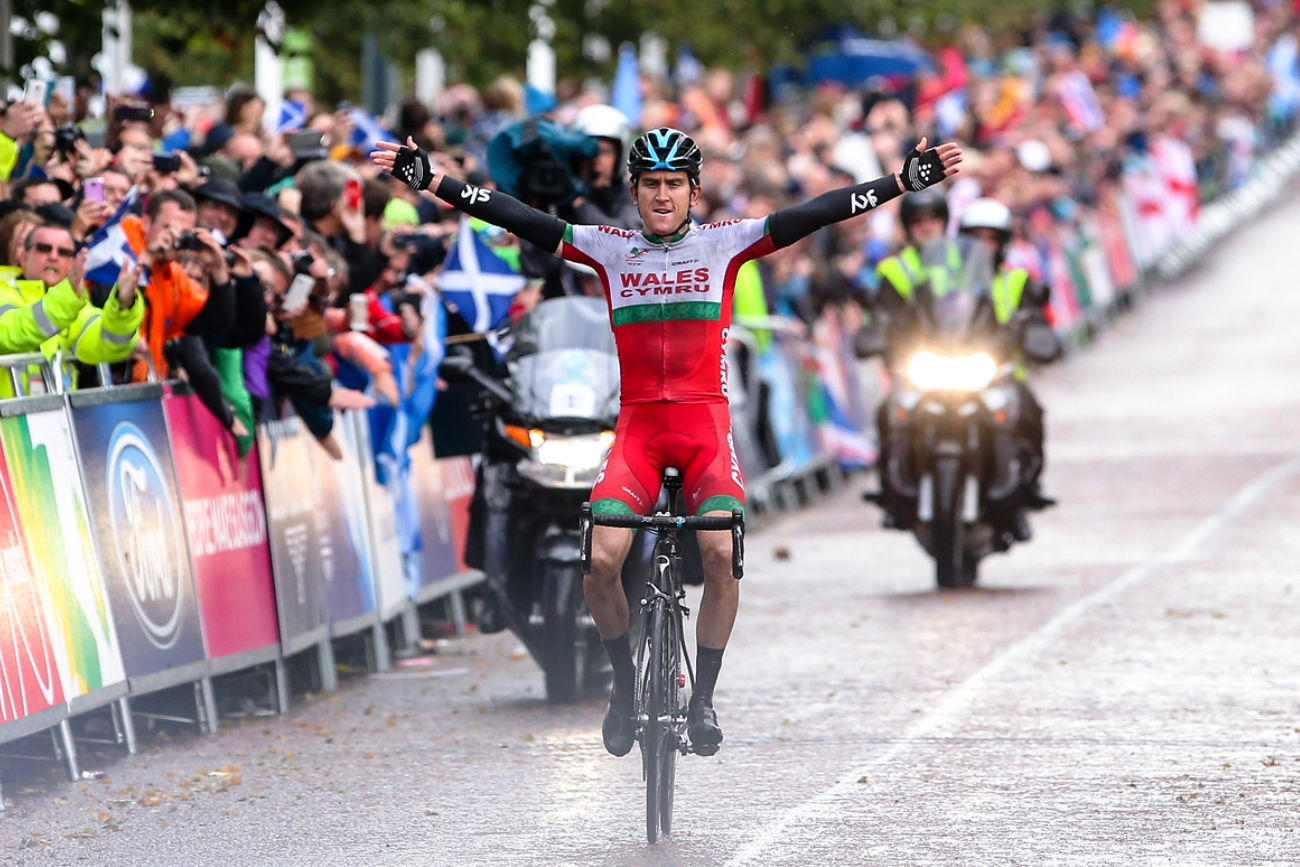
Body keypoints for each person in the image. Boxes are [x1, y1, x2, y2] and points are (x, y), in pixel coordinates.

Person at [374, 127, 961, 757]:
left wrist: (901, 184)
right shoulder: (609, 248)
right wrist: (432, 181)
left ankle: (702, 698)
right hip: (639, 430)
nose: (661, 195)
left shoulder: (726, 244)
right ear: (634, 190)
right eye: (650, 184)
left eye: (673, 184)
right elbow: (518, 217)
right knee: (599, 562)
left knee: (717, 554)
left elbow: (814, 213)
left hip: (704, 427)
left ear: (693, 191)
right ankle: (624, 690)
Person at [956, 198, 1059, 538]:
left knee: (1030, 415)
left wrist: (1036, 336)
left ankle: (1027, 487)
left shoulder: (1017, 281)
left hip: (1000, 376)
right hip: (945, 371)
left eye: (991, 238)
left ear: (1003, 242)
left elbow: (1039, 324)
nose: (983, 246)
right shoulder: (943, 281)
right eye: (975, 237)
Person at [0, 221, 141, 396]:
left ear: (72, 262)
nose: (53, 256)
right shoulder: (3, 291)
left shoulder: (76, 304)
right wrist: (68, 297)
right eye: (44, 248)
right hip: (8, 419)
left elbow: (108, 344)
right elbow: (10, 334)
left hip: (58, 417)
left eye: (63, 252)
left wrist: (123, 305)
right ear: (23, 256)